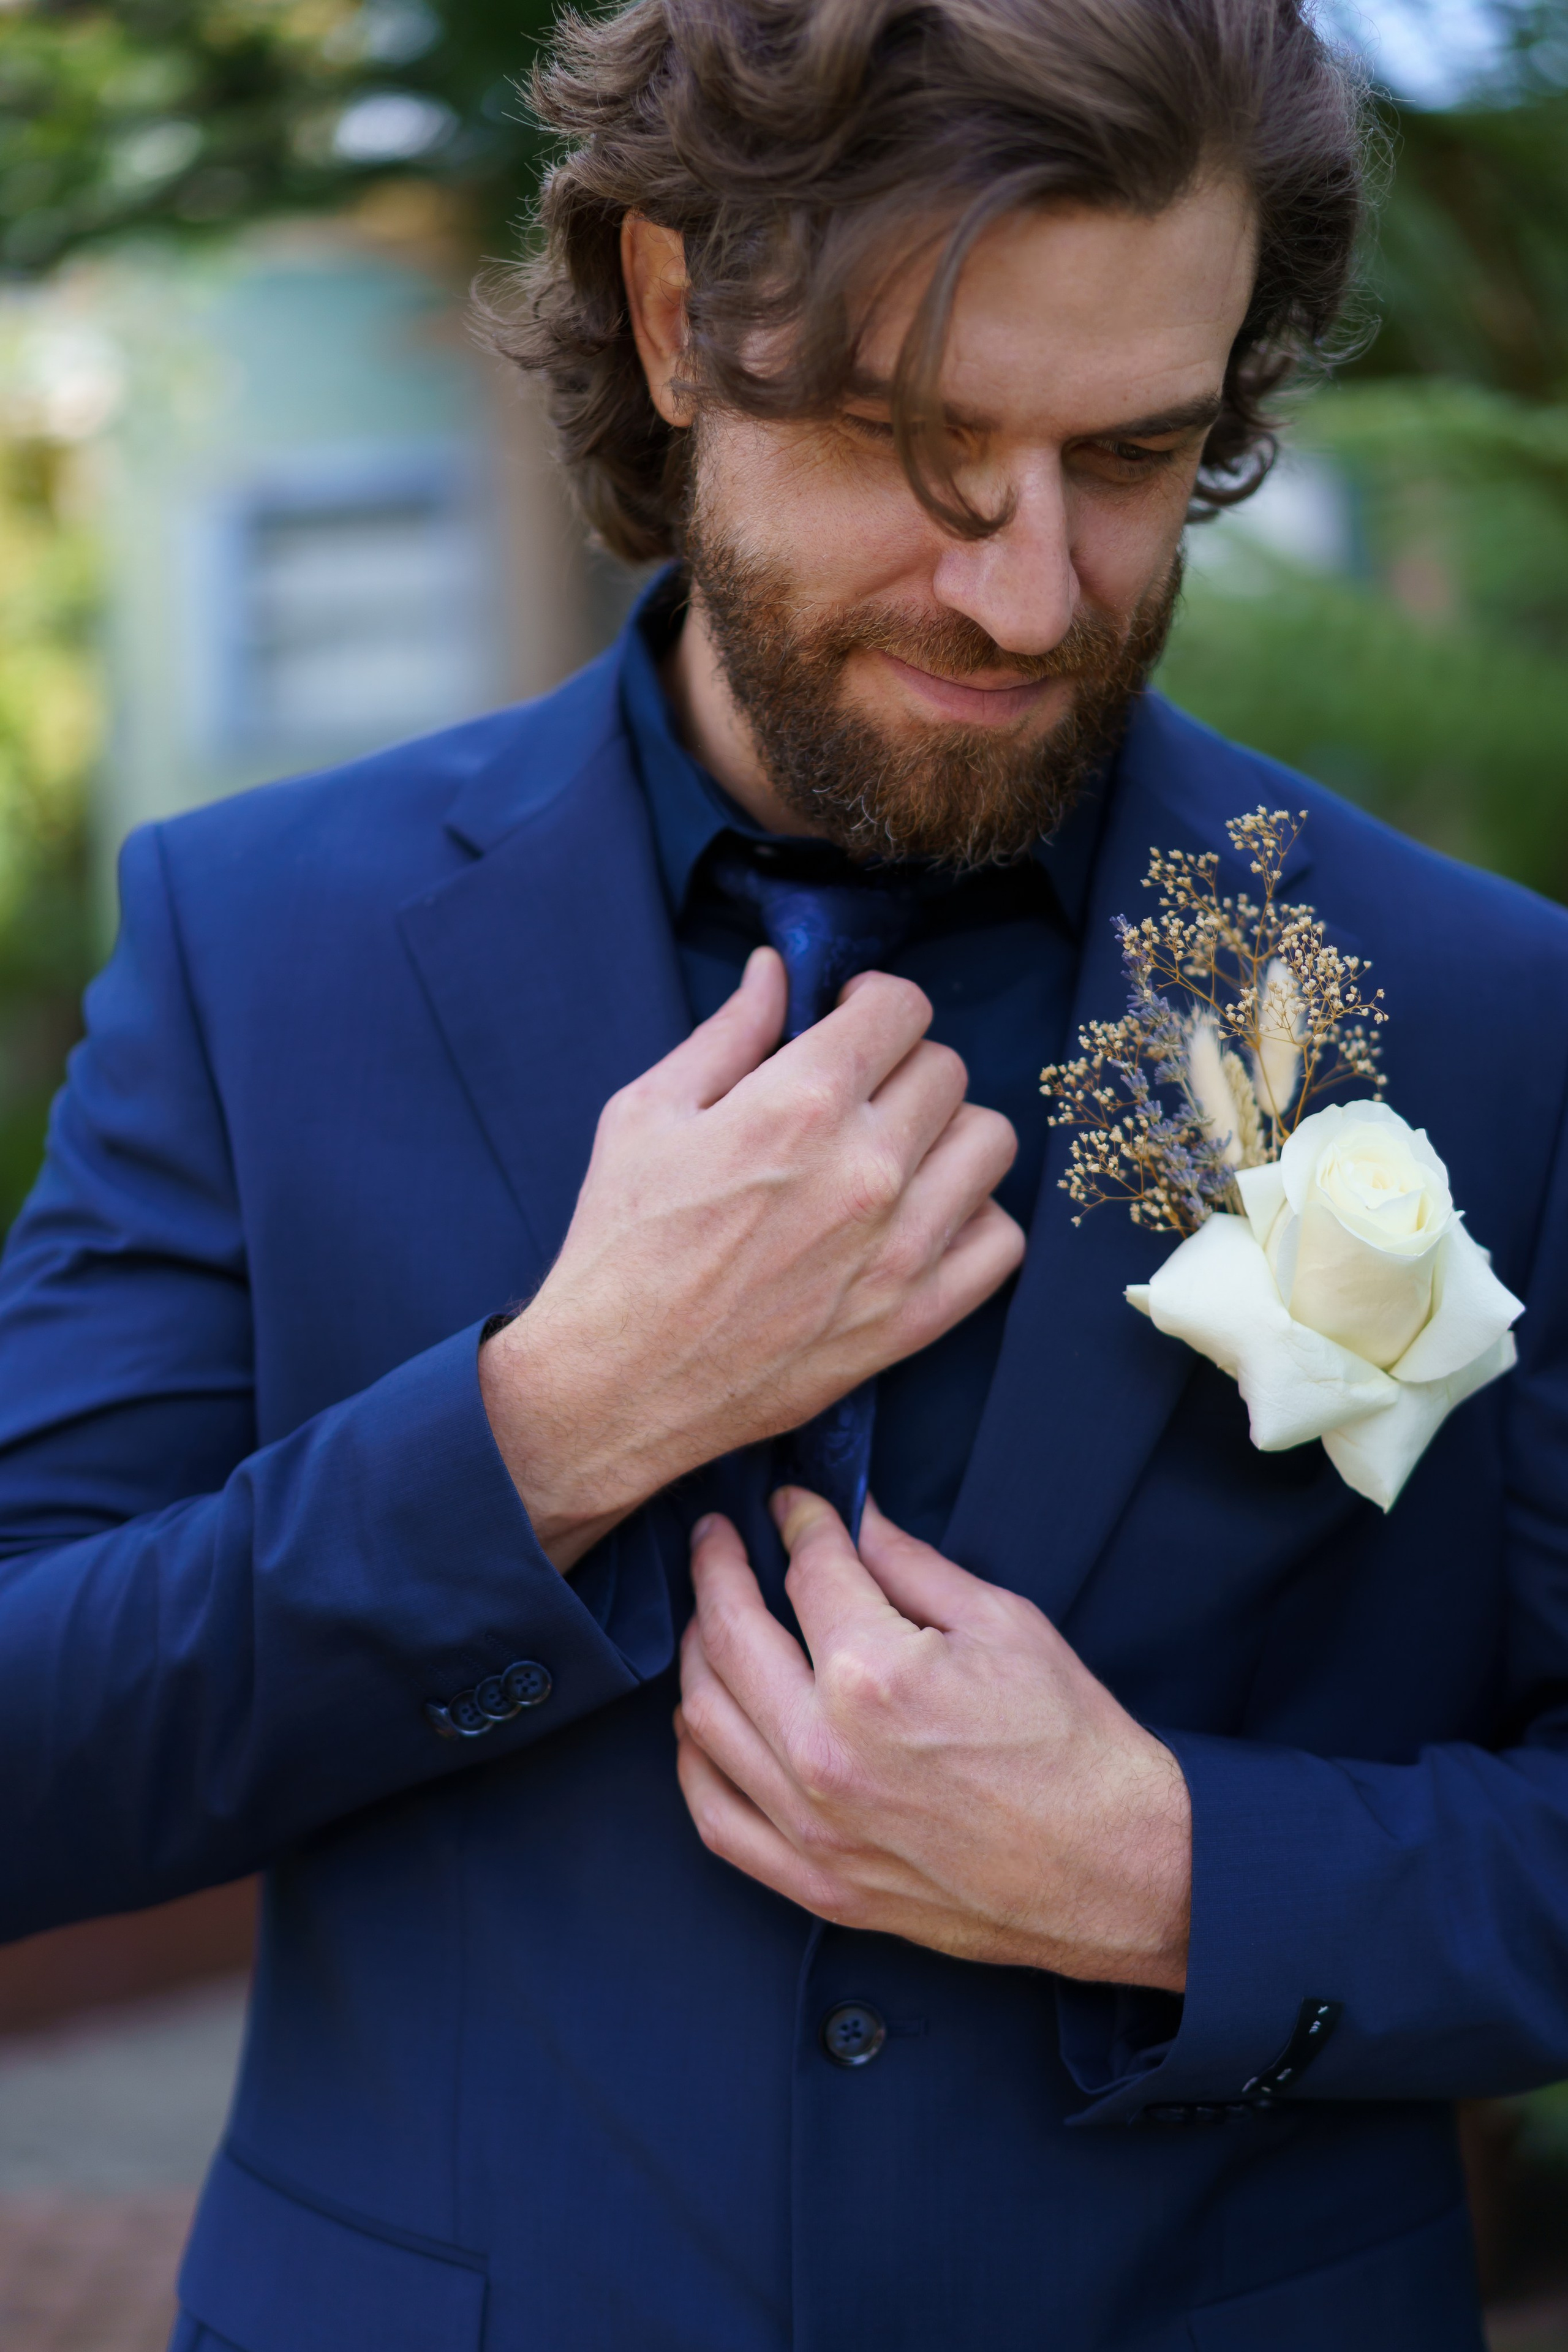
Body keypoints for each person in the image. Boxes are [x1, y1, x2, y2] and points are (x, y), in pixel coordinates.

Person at [3, 0, 1567, 2343]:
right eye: (917, 446)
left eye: (1133, 456)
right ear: (673, 316)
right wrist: (551, 1424)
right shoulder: (260, 949)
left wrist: (1171, 1874)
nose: (1030, 594)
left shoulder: (1483, 1006)